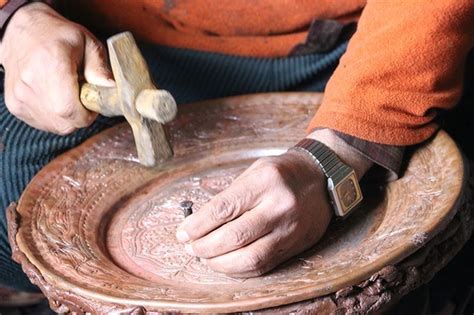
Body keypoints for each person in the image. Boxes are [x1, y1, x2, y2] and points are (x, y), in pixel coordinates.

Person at [0, 0, 473, 309]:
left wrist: (335, 157)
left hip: (346, 49)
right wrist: (17, 19)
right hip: (102, 42)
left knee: (385, 250)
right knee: (17, 201)